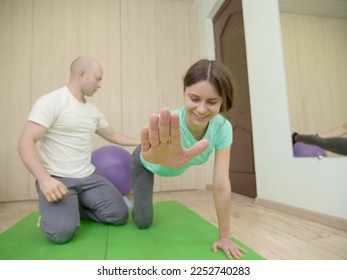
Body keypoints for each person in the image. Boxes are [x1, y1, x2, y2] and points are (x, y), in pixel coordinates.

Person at [131, 59, 248, 259]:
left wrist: (225, 236)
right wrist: (158, 160)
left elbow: (221, 184)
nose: (202, 109)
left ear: (223, 101)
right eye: (194, 98)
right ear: (184, 91)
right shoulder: (171, 122)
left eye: (212, 102)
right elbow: (150, 152)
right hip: (144, 163)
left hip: (171, 166)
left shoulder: (222, 128)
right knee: (142, 223)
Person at [17, 56, 140, 244]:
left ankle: (74, 207)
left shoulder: (92, 111)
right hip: (58, 178)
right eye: (98, 79)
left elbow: (113, 135)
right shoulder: (52, 101)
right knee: (61, 234)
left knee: (119, 215)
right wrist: (44, 180)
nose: (100, 85)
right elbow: (25, 142)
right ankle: (56, 216)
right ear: (81, 74)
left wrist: (144, 141)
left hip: (89, 176)